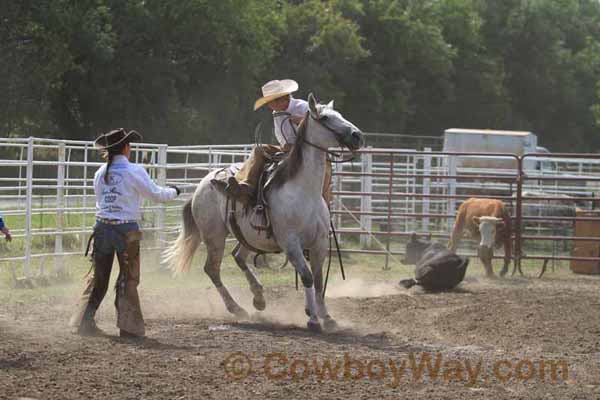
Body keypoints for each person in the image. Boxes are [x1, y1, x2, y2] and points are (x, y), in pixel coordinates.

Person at [69, 128, 180, 338]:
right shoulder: (134, 171)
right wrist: (174, 191)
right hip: (126, 230)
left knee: (99, 278)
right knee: (128, 279)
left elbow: (100, 200)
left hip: (102, 228)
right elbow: (157, 195)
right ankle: (129, 327)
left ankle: (83, 321)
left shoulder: (100, 173)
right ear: (126, 148)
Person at [226, 79, 332, 205]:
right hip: (286, 149)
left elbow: (322, 125)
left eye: (270, 102)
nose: (269, 106)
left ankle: (323, 204)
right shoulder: (277, 112)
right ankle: (245, 184)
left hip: (307, 151)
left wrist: (303, 121)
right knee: (259, 149)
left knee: (324, 171)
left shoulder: (303, 107)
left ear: (283, 99)